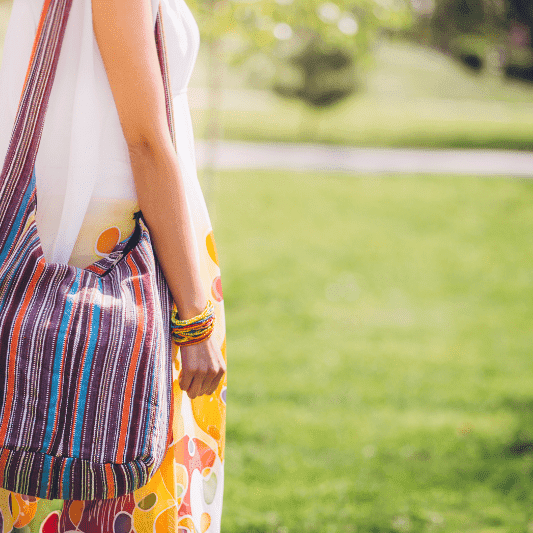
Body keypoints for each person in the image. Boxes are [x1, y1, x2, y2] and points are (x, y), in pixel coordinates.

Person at [0, 0, 227, 531]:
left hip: (90, 239)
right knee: (128, 490)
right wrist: (194, 317)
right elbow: (146, 142)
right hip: (107, 255)